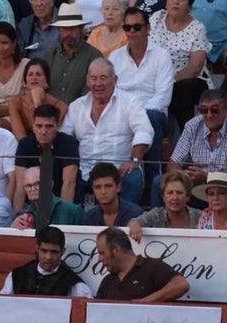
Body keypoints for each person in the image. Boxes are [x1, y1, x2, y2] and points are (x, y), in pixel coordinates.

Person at [61, 58, 152, 206]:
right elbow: (64, 138)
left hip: (119, 170)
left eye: (103, 78)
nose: (98, 84)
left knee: (133, 178)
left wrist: (134, 160)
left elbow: (144, 131)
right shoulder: (76, 106)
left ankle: (127, 220)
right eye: (94, 78)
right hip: (85, 170)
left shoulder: (130, 102)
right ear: (87, 81)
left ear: (115, 80)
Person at [110, 7, 173, 176]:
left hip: (152, 111)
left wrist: (137, 114)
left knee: (150, 118)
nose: (131, 32)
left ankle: (153, 177)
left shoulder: (162, 56)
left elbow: (163, 97)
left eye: (137, 27)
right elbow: (111, 92)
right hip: (122, 111)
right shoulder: (115, 57)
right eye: (127, 27)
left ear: (148, 28)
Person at [165, 90, 227, 204]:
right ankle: (163, 215)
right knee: (160, 181)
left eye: (214, 110)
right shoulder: (192, 125)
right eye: (204, 110)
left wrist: (208, 177)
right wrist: (184, 175)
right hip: (197, 183)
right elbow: (173, 163)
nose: (209, 115)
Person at [149, 0, 213, 135]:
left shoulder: (197, 28)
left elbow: (196, 66)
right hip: (154, 77)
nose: (176, 2)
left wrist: (168, 81)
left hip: (186, 79)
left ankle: (189, 138)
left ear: (189, 6)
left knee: (181, 90)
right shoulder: (156, 18)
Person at [12, 101, 78, 209]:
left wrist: (62, 216)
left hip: (61, 201)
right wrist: (18, 215)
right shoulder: (25, 144)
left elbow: (69, 184)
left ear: (57, 126)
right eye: (39, 126)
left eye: (49, 126)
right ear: (33, 126)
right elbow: (20, 186)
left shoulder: (69, 143)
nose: (43, 131)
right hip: (33, 205)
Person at [94, 226, 189, 302]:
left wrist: (146, 302)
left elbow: (181, 285)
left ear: (116, 250)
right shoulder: (107, 281)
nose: (99, 259)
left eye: (102, 253)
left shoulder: (152, 267)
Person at [0, 225, 92, 297]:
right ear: (37, 249)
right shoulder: (17, 275)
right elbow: (2, 304)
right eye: (44, 251)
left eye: (54, 252)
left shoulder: (73, 284)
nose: (48, 257)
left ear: (62, 252)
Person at [44, 3, 102, 106]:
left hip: (81, 112)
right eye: (64, 29)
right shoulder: (49, 55)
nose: (68, 33)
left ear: (81, 29)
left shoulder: (94, 56)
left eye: (72, 28)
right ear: (59, 30)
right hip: (50, 112)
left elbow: (91, 94)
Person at [127, 169, 201, 242]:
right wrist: (134, 224)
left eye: (179, 193)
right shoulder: (156, 214)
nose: (175, 197)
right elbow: (134, 221)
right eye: (170, 193)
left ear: (187, 197)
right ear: (163, 197)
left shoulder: (201, 216)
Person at [7, 57, 67, 140]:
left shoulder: (60, 106)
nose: (34, 77)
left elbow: (45, 135)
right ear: (25, 82)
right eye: (30, 74)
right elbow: (21, 139)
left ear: (47, 80)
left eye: (38, 74)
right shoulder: (15, 103)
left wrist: (37, 104)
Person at [0, 22, 27, 127]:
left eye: (4, 43)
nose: (0, 48)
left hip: (17, 116)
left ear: (14, 43)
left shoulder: (25, 65)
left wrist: (8, 109)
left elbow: (29, 99)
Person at [10, 165, 85, 228]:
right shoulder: (21, 215)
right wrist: (13, 229)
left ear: (50, 184)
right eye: (28, 186)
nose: (33, 189)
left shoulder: (73, 211)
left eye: (38, 184)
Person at [82, 162, 144, 227]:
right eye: (98, 187)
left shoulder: (135, 214)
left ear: (118, 187)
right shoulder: (90, 217)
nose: (103, 192)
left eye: (108, 186)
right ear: (93, 189)